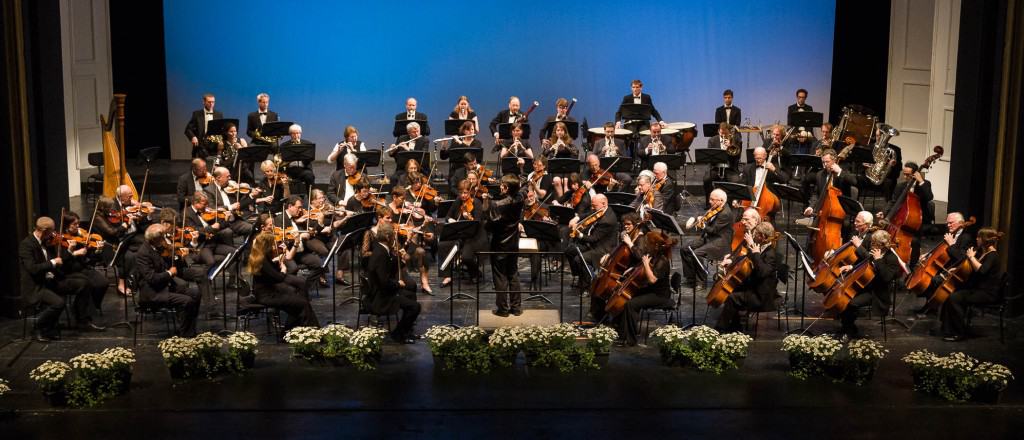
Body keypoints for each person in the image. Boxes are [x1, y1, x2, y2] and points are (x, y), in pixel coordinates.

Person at [18, 217, 80, 341]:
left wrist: (68, 252)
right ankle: (38, 327)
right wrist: (52, 262)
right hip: (35, 287)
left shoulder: (46, 242)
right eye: (52, 231)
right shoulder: (27, 245)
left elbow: (57, 260)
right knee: (59, 303)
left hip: (48, 281)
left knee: (79, 284)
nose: (54, 233)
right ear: (44, 230)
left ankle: (51, 326)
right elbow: (33, 268)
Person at [937, 227, 1004, 342]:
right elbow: (974, 270)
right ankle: (948, 329)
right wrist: (956, 269)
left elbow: (982, 270)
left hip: (987, 293)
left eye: (979, 237)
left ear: (984, 240)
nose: (976, 239)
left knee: (955, 298)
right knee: (952, 295)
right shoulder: (985, 253)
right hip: (979, 290)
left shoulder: (993, 255)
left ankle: (959, 333)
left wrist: (971, 257)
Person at [134, 224, 201, 336]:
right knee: (187, 301)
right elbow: (151, 278)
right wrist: (169, 273)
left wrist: (180, 258)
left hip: (164, 286)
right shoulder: (143, 254)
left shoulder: (157, 247)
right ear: (155, 239)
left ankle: (188, 329)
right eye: (163, 237)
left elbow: (170, 264)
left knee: (196, 293)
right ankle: (185, 334)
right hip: (153, 293)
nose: (165, 240)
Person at [714, 222, 780, 332]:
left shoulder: (771, 254)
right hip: (753, 288)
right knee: (730, 290)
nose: (753, 236)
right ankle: (735, 328)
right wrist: (731, 262)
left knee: (732, 298)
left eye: (755, 234)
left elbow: (762, 272)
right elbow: (746, 260)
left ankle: (720, 329)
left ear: (762, 236)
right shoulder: (759, 247)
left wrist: (756, 253)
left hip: (761, 295)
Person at [834, 230, 901, 338]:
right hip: (866, 286)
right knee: (843, 297)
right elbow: (865, 265)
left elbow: (886, 278)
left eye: (874, 243)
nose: (871, 245)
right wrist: (851, 267)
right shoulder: (875, 251)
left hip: (877, 293)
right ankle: (847, 327)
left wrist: (878, 260)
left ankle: (849, 330)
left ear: (882, 244)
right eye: (872, 242)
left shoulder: (891, 258)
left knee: (851, 303)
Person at [247, 232, 319, 331]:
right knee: (303, 303)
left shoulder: (261, 257)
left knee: (298, 305)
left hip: (270, 291)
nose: (274, 246)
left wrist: (279, 262)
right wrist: (283, 269)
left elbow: (271, 275)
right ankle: (313, 331)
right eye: (272, 244)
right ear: (266, 246)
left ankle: (291, 331)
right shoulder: (263, 260)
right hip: (268, 296)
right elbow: (278, 278)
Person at [365, 222, 421, 343]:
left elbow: (390, 268)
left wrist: (400, 257)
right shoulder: (380, 253)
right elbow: (384, 282)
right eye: (393, 237)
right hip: (381, 298)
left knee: (411, 294)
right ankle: (398, 334)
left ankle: (406, 331)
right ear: (387, 237)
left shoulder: (382, 249)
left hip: (382, 292)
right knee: (415, 307)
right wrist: (398, 284)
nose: (394, 239)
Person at [619, 230, 677, 346]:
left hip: (660, 295)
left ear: (654, 245)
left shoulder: (662, 260)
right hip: (651, 290)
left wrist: (646, 264)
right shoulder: (653, 254)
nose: (645, 245)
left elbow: (652, 279)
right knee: (627, 297)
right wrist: (632, 269)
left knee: (631, 304)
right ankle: (623, 333)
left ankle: (630, 340)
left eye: (647, 243)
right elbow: (640, 262)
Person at [484, 175, 525, 317]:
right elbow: (519, 191)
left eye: (502, 184)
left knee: (500, 276)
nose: (500, 186)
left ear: (506, 188)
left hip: (500, 244)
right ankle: (516, 308)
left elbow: (489, 226)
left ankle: (503, 309)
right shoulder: (520, 198)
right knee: (513, 274)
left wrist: (487, 206)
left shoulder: (497, 205)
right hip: (513, 242)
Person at [681, 189, 733, 288]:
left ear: (721, 201)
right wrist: (696, 218)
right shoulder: (716, 207)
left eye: (712, 200)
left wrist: (703, 225)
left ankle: (701, 281)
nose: (709, 201)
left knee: (697, 253)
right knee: (685, 248)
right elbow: (705, 215)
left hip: (719, 242)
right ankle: (691, 278)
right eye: (710, 199)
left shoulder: (725, 213)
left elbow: (713, 230)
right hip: (709, 237)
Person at [439, 180, 486, 288]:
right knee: (442, 245)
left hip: (475, 236)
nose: (463, 195)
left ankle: (475, 273)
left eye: (465, 193)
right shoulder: (458, 201)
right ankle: (447, 276)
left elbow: (478, 222)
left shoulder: (476, 203)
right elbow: (448, 216)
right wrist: (450, 220)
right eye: (461, 193)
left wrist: (469, 218)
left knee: (466, 257)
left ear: (470, 192)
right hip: (461, 234)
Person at [565, 193, 618, 288]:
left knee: (579, 259)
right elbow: (589, 213)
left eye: (594, 206)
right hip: (593, 244)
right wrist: (577, 218)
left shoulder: (607, 220)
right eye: (592, 205)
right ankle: (580, 275)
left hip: (602, 248)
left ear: (604, 203)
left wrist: (579, 234)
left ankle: (588, 284)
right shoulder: (600, 210)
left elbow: (593, 239)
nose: (592, 208)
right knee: (569, 251)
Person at [205, 167, 254, 236]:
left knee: (251, 228)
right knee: (228, 233)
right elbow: (212, 209)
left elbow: (240, 204)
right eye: (227, 176)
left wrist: (251, 195)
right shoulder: (208, 190)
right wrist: (230, 207)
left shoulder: (230, 188)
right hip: (221, 223)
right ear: (219, 178)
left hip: (234, 221)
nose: (230, 178)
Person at [703, 122, 743, 206]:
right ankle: (708, 202)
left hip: (730, 168)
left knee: (737, 181)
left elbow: (737, 157)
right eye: (721, 133)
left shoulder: (735, 140)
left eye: (725, 133)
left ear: (729, 132)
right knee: (707, 179)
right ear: (718, 131)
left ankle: (733, 202)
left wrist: (730, 146)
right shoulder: (712, 140)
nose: (723, 135)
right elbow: (710, 157)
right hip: (716, 167)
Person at [184, 93, 223, 158]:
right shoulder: (197, 114)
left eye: (213, 102)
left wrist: (220, 141)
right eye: (209, 102)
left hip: (214, 144)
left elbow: (220, 130)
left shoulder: (219, 114)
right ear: (204, 102)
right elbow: (188, 129)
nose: (211, 104)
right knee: (199, 163)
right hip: (200, 143)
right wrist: (193, 137)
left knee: (213, 163)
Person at [280, 124, 316, 188]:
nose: (296, 135)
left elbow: (310, 158)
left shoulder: (308, 144)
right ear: (290, 134)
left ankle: (311, 194)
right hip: (289, 170)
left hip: (304, 169)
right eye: (293, 133)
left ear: (300, 133)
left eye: (298, 133)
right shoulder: (284, 145)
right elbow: (281, 160)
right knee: (281, 176)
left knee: (309, 176)